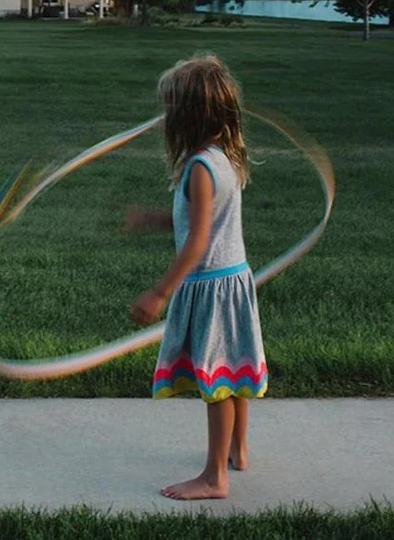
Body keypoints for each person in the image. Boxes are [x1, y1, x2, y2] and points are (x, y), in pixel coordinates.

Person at [128, 53, 267, 501]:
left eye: (170, 109)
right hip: (234, 279)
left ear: (186, 117)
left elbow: (198, 241)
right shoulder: (223, 158)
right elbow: (201, 221)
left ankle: (213, 477)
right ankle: (238, 451)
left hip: (210, 286)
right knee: (233, 368)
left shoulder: (199, 169)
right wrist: (155, 219)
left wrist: (159, 292)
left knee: (215, 381)